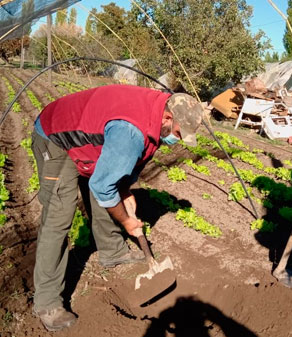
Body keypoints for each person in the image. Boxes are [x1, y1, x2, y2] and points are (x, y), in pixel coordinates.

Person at [30, 84, 203, 331]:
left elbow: (120, 170)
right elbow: (105, 184)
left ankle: (112, 251)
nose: (176, 139)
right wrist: (127, 221)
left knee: (108, 191)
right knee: (60, 214)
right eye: (177, 132)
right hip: (56, 137)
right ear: (168, 117)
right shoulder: (131, 132)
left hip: (90, 136)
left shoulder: (158, 113)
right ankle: (47, 301)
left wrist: (125, 190)